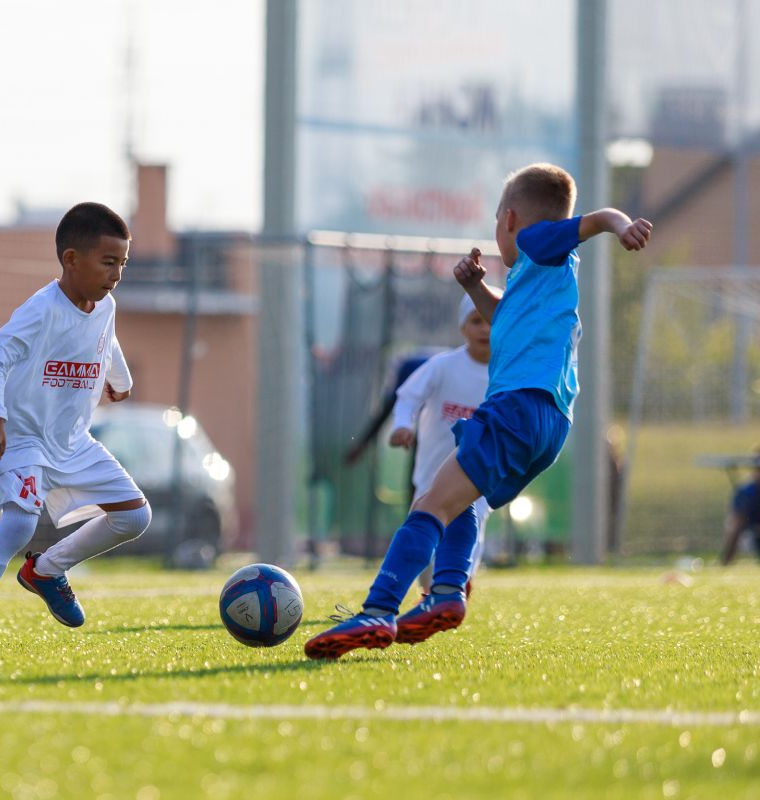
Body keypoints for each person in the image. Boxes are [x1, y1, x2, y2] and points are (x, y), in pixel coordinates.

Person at [305, 162, 652, 659]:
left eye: (495, 222)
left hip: (516, 406)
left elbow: (596, 219)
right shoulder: (541, 278)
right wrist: (474, 287)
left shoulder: (535, 242)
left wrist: (622, 226)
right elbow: (506, 317)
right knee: (464, 498)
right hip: (547, 423)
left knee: (428, 504)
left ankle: (379, 609)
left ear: (509, 219)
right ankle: (445, 596)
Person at [0, 202, 151, 648]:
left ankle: (45, 570)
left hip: (72, 442)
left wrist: (120, 381)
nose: (116, 273)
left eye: (122, 263)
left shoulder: (106, 305)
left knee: (135, 515)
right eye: (108, 262)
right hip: (23, 439)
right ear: (71, 260)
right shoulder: (42, 309)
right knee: (18, 526)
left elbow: (107, 339)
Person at [388, 295, 491, 595]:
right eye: (476, 321)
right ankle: (431, 590)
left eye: (491, 321)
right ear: (462, 327)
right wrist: (402, 425)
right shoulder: (443, 366)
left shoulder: (506, 372)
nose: (485, 329)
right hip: (431, 477)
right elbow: (408, 396)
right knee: (424, 534)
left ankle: (455, 588)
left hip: (479, 474)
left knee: (474, 527)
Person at [721, 452, 760, 565]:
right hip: (753, 532)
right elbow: (737, 521)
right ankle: (726, 563)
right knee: (735, 526)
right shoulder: (747, 492)